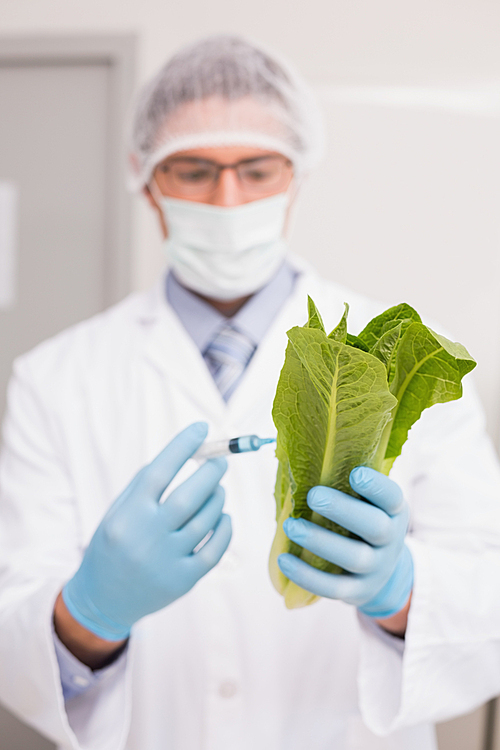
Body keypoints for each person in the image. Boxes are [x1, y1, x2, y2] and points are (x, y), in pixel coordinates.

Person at [0, 34, 500, 750]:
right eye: (194, 169)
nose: (227, 198)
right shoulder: (54, 378)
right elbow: (14, 641)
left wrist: (404, 592)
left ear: (298, 178)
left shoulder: (406, 357)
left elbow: (490, 605)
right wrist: (87, 614)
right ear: (145, 180)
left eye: (257, 169)